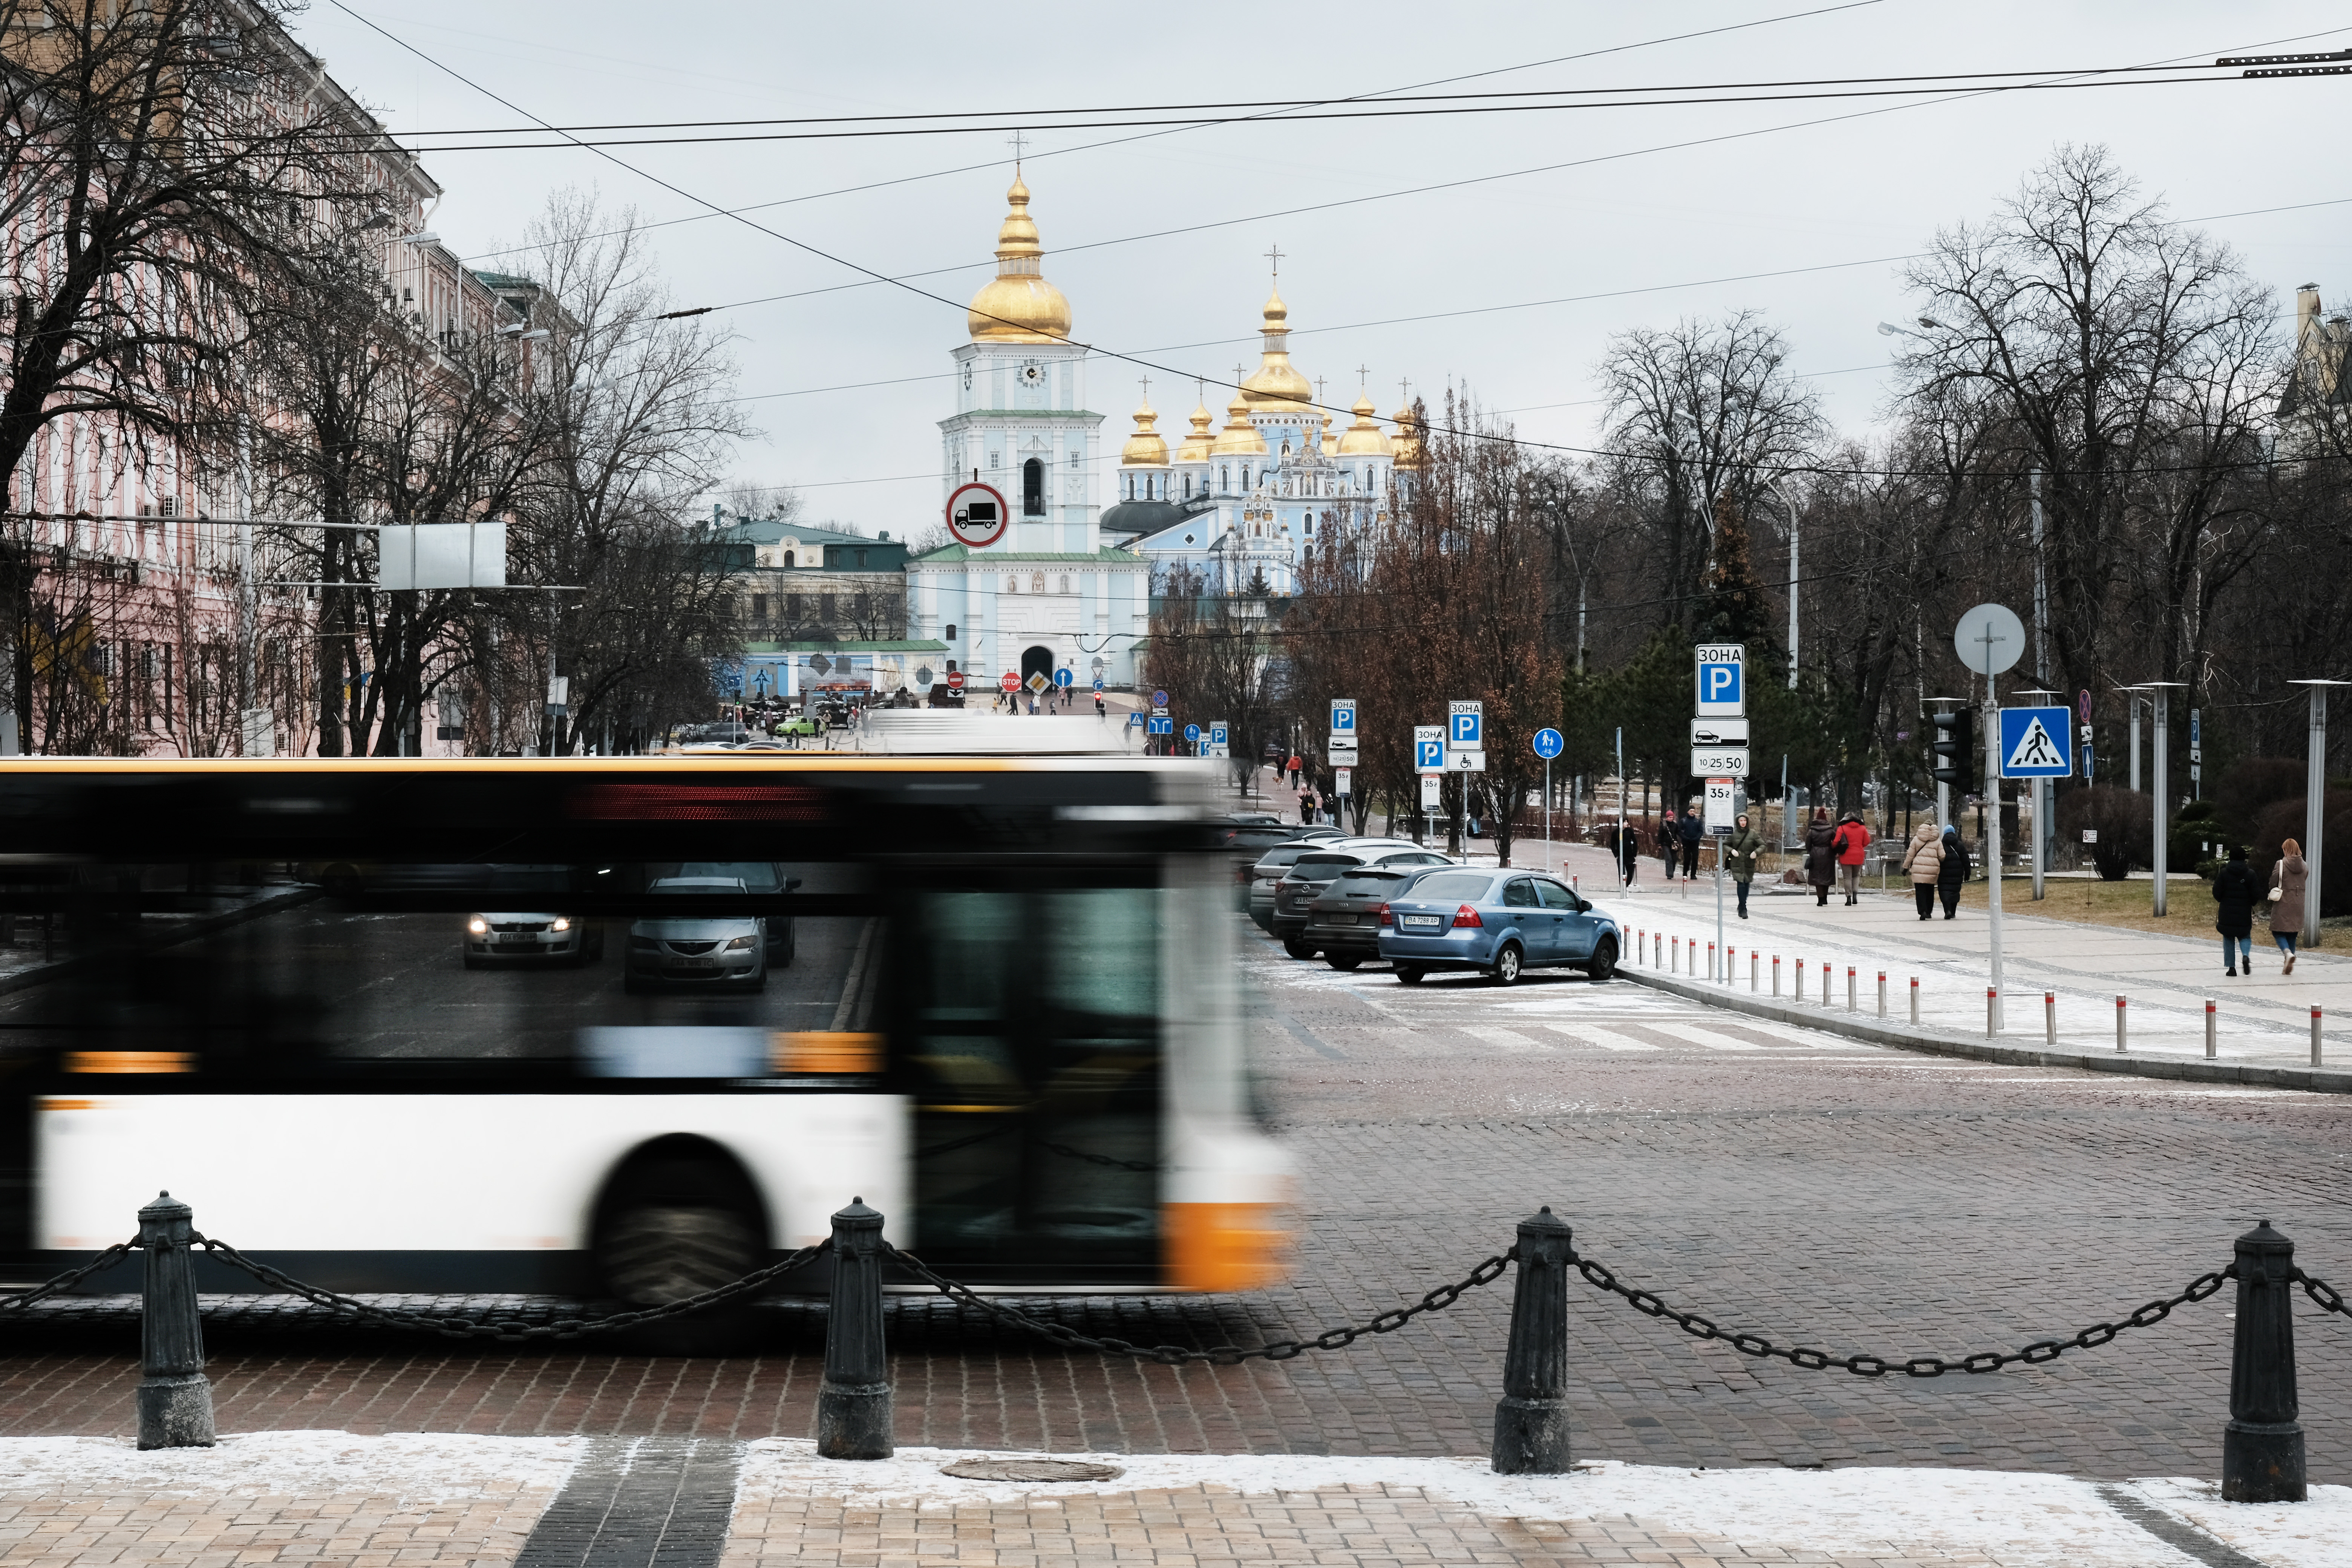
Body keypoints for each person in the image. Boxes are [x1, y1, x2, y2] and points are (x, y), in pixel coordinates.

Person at [2214, 844, 2257, 977]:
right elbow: (2256, 895)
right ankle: (2245, 956)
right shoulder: (2250, 874)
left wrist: (2222, 899)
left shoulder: (2224, 873)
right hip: (2244, 912)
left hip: (2226, 912)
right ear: (2244, 859)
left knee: (2228, 937)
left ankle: (2231, 968)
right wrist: (2251, 903)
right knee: (2245, 936)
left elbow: (2217, 893)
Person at [2273, 838, 2309, 975]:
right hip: (2299, 903)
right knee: (2293, 933)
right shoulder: (2305, 865)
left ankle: (2288, 954)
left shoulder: (2281, 864)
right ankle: (2288, 964)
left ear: (2286, 850)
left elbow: (2274, 881)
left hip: (2284, 902)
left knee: (2277, 931)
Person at [1723, 813, 1765, 919]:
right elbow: (1725, 844)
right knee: (1741, 884)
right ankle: (1744, 908)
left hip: (1749, 863)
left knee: (1746, 885)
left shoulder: (1752, 834)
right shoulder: (1733, 834)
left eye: (1745, 821)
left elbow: (1763, 845)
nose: (1743, 823)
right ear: (1738, 822)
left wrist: (1756, 852)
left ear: (1747, 822)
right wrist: (1732, 851)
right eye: (1741, 821)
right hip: (1737, 863)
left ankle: (1741, 905)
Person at [1902, 821, 1943, 921]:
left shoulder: (1916, 839)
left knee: (1920, 892)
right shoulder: (1937, 841)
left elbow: (1910, 855)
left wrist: (1905, 868)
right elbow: (1942, 856)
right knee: (1930, 891)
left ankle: (1922, 911)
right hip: (1932, 870)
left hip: (1918, 869)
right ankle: (1929, 911)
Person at [1832, 812, 1870, 905]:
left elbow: (1836, 841)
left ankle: (1848, 898)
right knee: (1856, 876)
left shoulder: (1842, 828)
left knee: (1847, 877)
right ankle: (1855, 895)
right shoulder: (1863, 828)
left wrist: (1834, 848)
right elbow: (1867, 841)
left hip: (1845, 855)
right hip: (1859, 855)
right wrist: (1859, 847)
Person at [1803, 807, 1838, 908]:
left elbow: (1808, 845)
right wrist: (1834, 852)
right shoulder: (1830, 831)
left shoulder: (1812, 831)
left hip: (1816, 854)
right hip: (1828, 854)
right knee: (1826, 877)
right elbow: (1836, 843)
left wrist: (1811, 852)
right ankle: (1825, 898)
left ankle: (1820, 900)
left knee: (1818, 878)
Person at [1936, 825, 1969, 920]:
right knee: (1955, 892)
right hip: (1957, 874)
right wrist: (1967, 874)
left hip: (1944, 874)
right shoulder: (1960, 845)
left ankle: (1947, 911)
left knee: (1944, 892)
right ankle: (1953, 912)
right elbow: (1966, 861)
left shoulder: (1941, 845)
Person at [1679, 808, 1703, 883]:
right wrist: (1686, 838)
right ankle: (1685, 873)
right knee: (1687, 858)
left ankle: (1693, 874)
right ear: (1688, 812)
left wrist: (1697, 838)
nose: (1692, 813)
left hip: (1695, 842)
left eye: (1694, 811)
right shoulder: (1684, 821)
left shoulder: (1697, 821)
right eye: (1691, 811)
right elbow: (1679, 831)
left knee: (1695, 858)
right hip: (1686, 842)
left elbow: (1701, 831)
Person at [1615, 821, 1640, 889]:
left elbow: (1635, 842)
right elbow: (1613, 844)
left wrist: (1634, 853)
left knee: (1630, 873)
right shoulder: (1616, 832)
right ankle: (1622, 888)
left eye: (1627, 822)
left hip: (1630, 855)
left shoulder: (1630, 831)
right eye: (1625, 822)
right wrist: (1616, 854)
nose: (1627, 824)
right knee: (1622, 873)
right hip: (1621, 856)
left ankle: (1626, 885)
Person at [1659, 810, 1681, 881]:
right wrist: (1659, 844)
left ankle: (1672, 871)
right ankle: (1669, 874)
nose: (1671, 819)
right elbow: (1660, 835)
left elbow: (1678, 834)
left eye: (1672, 817)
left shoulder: (1675, 825)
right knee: (1669, 859)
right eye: (1670, 817)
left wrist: (1680, 842)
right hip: (1665, 844)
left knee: (1674, 859)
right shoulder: (1664, 825)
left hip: (1673, 844)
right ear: (1667, 818)